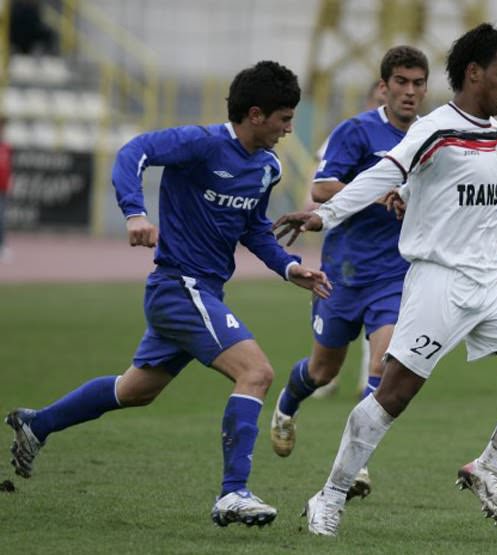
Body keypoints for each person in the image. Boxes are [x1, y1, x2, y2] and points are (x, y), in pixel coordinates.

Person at [274, 23, 497, 537]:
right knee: (392, 396)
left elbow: (443, 191)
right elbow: (384, 171)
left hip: (491, 280)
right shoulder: (434, 127)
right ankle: (329, 496)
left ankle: (490, 466)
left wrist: (412, 197)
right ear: (475, 73)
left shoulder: (495, 132)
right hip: (439, 283)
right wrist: (326, 215)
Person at [4, 60, 331, 528]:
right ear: (256, 114)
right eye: (285, 118)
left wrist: (289, 267)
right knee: (256, 373)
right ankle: (232, 493)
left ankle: (38, 424)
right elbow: (133, 151)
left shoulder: (267, 167)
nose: (289, 128)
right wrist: (134, 213)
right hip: (180, 286)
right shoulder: (200, 144)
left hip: (200, 292)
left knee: (135, 390)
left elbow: (255, 229)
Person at [270, 46, 429, 501]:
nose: (410, 91)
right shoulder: (357, 131)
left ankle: (355, 464)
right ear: (385, 86)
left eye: (418, 83)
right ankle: (285, 407)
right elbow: (321, 187)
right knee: (322, 370)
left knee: (383, 365)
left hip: (395, 275)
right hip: (343, 272)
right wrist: (379, 191)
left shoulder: (429, 136)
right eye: (401, 82)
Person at [309, 78, 387, 400]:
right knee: (322, 367)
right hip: (346, 257)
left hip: (392, 262)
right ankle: (313, 385)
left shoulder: (420, 135)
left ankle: (367, 389)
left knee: (383, 344)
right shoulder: (350, 131)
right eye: (384, 95)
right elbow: (320, 181)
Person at [0, 118, 12, 262]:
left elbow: (8, 168)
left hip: (2, 189)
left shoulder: (6, 146)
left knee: (2, 218)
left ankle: (2, 246)